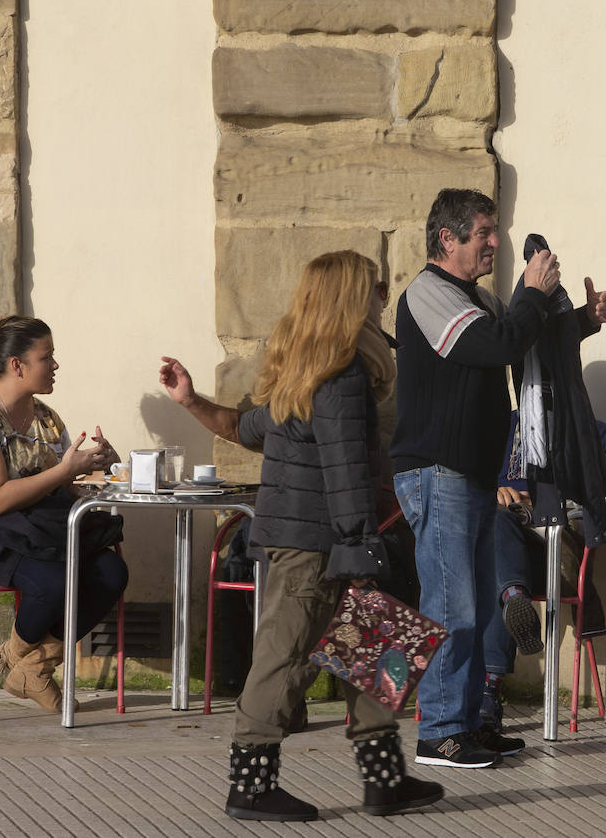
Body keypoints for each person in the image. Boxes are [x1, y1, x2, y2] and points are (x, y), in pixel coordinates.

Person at [159, 251, 444, 821]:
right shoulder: (339, 377)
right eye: (375, 287)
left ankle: (384, 779)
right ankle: (251, 785)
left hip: (317, 540)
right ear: (349, 298)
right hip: (319, 545)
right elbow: (345, 471)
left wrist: (190, 400)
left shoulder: (300, 372)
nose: (382, 298)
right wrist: (363, 550)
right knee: (283, 659)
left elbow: (245, 428)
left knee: (371, 645)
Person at [390, 188, 606, 768]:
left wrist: (584, 321)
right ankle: (439, 730)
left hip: (471, 476)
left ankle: (469, 724)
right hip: (436, 473)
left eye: (495, 231)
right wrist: (536, 295)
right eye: (484, 232)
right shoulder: (428, 293)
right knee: (452, 606)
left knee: (482, 607)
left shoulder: (478, 298)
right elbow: (498, 343)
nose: (496, 242)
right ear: (449, 239)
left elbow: (528, 345)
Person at [0, 316, 128, 713]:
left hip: (26, 533)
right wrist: (64, 471)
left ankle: (30, 666)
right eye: (46, 357)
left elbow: (61, 484)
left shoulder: (45, 418)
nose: (55, 365)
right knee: (53, 579)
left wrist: (104, 465)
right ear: (17, 365)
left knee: (111, 571)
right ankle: (21, 663)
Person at [479, 411, 606, 730]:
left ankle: (488, 694)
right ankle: (515, 596)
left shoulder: (597, 434)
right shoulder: (500, 428)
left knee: (497, 576)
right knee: (497, 526)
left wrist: (554, 501)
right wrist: (494, 492)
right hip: (508, 542)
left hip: (562, 549)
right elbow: (468, 484)